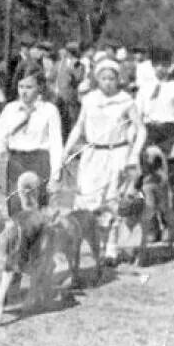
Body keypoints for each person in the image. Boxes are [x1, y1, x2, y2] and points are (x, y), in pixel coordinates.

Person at [64, 58, 147, 267]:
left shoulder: (125, 100)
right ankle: (88, 246)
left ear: (118, 79)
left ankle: (111, 248)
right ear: (97, 79)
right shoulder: (90, 99)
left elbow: (141, 129)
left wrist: (134, 154)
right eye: (103, 78)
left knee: (113, 202)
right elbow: (79, 127)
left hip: (117, 154)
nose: (108, 82)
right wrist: (66, 151)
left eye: (112, 78)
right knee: (88, 201)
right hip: (93, 156)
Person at [0, 66, 63, 216]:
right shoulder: (10, 109)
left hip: (40, 162)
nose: (24, 91)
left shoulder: (49, 110)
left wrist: (55, 176)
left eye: (29, 87)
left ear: (40, 87)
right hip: (16, 162)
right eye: (21, 86)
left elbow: (56, 144)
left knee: (37, 213)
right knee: (16, 209)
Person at [138, 65, 174, 186]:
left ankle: (167, 200)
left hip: (168, 130)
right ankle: (144, 200)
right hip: (150, 129)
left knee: (167, 169)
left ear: (169, 67)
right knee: (145, 168)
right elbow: (138, 112)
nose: (160, 68)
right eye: (157, 65)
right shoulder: (145, 87)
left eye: (164, 65)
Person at [54, 41, 85, 142]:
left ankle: (71, 143)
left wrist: (71, 70)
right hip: (60, 96)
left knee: (71, 120)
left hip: (70, 97)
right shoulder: (60, 63)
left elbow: (79, 78)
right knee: (60, 120)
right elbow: (51, 76)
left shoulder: (78, 64)